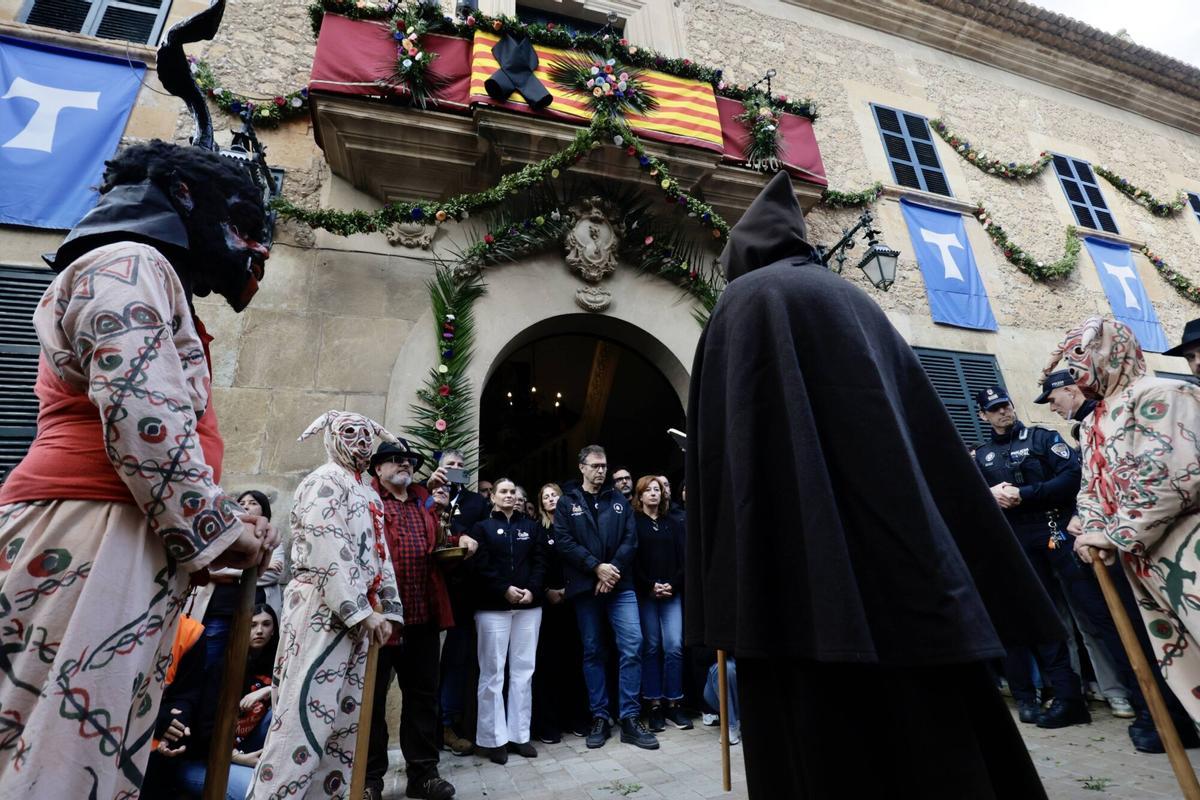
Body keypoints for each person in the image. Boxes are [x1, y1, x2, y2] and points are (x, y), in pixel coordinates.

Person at [687, 171, 1064, 799]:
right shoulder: (857, 303)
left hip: (799, 586)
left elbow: (726, 458)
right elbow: (926, 442)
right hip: (910, 572)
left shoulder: (746, 301)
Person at [0, 140, 279, 797]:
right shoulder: (129, 261)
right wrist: (218, 528)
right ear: (183, 196)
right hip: (95, 535)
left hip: (124, 535)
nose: (255, 253)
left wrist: (205, 539)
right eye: (243, 226)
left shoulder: (138, 267)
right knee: (58, 757)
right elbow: (141, 418)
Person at [1037, 369, 1200, 752]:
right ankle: (1157, 714)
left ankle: (1167, 717)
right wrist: (1088, 520)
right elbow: (1091, 486)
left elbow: (1159, 476)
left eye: (1053, 398)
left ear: (1071, 389)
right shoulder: (1088, 425)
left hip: (1157, 544)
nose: (1052, 408)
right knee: (1127, 632)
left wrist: (1111, 532)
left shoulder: (1141, 405)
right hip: (1110, 546)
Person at [247, 411, 403, 799]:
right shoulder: (322, 482)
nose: (362, 442)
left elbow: (380, 555)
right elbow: (325, 543)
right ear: (331, 436)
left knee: (344, 722)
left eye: (367, 434)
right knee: (305, 712)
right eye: (351, 433)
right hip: (321, 609)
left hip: (359, 619)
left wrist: (390, 607)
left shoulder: (369, 492)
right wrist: (361, 610)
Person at [973, 385, 1090, 728]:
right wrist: (991, 495)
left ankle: (1123, 691)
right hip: (1018, 540)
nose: (1003, 412)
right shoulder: (982, 457)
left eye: (1005, 406)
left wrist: (1025, 493)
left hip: (1055, 529)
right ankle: (1065, 694)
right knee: (1045, 615)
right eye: (994, 409)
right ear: (983, 416)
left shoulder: (1040, 438)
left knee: (1089, 611)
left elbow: (1072, 476)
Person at [363, 440, 471, 800]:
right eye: (394, 461)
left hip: (422, 617)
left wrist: (460, 542)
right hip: (380, 622)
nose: (403, 465)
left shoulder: (425, 501)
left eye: (407, 461)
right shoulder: (368, 501)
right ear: (377, 469)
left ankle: (423, 775)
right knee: (372, 701)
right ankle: (369, 779)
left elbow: (440, 549)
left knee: (423, 698)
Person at [554, 445, 659, 750]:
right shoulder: (567, 502)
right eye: (596, 466)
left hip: (620, 585)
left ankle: (629, 718)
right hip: (586, 587)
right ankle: (599, 716)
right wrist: (595, 568)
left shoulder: (619, 501)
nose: (601, 471)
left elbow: (630, 539)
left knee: (633, 646)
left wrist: (610, 571)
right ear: (582, 467)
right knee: (592, 651)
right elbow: (564, 541)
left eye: (604, 466)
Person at [148, 604, 280, 798]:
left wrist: (270, 689)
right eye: (252, 625)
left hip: (246, 744)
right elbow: (203, 732)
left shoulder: (277, 665)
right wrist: (237, 758)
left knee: (277, 707)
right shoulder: (222, 669)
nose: (259, 631)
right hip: (208, 759)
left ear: (274, 629)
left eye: (266, 624)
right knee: (258, 790)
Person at [468, 478, 546, 763]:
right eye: (503, 491)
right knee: (492, 674)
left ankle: (519, 735)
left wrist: (533, 590)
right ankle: (493, 739)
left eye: (513, 491)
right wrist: (504, 589)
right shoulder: (482, 528)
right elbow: (481, 566)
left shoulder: (531, 527)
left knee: (524, 671)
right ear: (493, 498)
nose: (509, 495)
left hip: (529, 607)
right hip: (492, 608)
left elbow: (540, 562)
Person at [428, 449, 489, 758]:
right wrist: (431, 499)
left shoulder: (477, 503)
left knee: (457, 657)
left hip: (462, 591)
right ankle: (425, 730)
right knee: (425, 660)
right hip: (426, 590)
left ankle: (448, 724)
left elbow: (479, 537)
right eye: (449, 465)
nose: (454, 469)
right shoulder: (424, 496)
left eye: (460, 466)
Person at [530, 482, 589, 744]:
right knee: (548, 664)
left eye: (555, 494)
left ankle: (576, 718)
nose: (551, 499)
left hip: (574, 601)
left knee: (575, 661)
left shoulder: (575, 528)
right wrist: (546, 591)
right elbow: (536, 565)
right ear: (541, 503)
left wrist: (569, 589)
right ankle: (549, 724)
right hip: (548, 605)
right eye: (546, 496)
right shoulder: (537, 531)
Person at [632, 476, 689, 732]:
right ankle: (654, 705)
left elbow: (684, 560)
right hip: (646, 594)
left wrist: (672, 585)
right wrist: (649, 586)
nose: (654, 494)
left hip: (671, 593)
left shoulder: (673, 523)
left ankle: (674, 704)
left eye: (657, 490)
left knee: (674, 645)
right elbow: (632, 562)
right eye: (649, 490)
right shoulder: (634, 524)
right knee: (652, 646)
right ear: (640, 496)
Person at [238, 490, 287, 615]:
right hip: (218, 609)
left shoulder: (272, 538)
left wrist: (227, 576)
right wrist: (261, 567)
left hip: (258, 612)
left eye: (253, 503)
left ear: (263, 510)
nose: (245, 506)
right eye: (241, 503)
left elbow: (274, 574)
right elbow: (211, 570)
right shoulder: (225, 534)